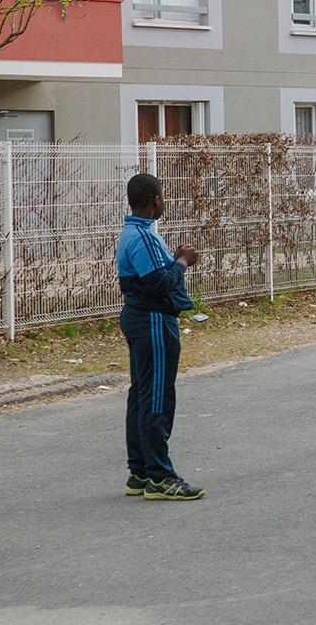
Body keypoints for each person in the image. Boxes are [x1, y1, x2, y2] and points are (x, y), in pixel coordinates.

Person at [117, 172, 204, 501]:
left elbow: (154, 272)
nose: (164, 200)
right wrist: (183, 262)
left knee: (141, 394)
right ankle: (159, 476)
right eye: (163, 196)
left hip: (141, 318)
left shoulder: (135, 233)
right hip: (152, 320)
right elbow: (159, 283)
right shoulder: (141, 236)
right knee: (155, 397)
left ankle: (139, 472)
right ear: (155, 200)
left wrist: (174, 258)